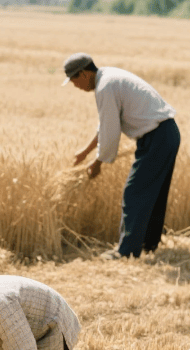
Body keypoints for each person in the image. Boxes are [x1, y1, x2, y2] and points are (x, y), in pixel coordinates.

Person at [65, 52, 181, 260]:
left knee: (134, 192)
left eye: (74, 81)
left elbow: (110, 130)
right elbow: (106, 124)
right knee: (154, 193)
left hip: (156, 138)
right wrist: (85, 152)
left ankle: (126, 251)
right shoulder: (109, 77)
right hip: (166, 133)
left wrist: (98, 162)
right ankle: (148, 245)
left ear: (83, 74)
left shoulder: (105, 87)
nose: (76, 87)